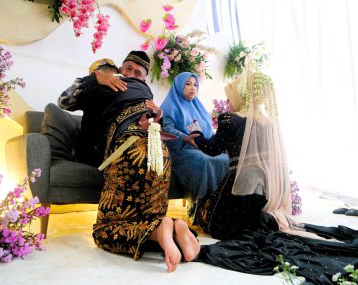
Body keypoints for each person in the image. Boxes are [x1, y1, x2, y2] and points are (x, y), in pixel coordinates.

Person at [183, 66, 358, 284]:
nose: (229, 100)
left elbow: (213, 149)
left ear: (243, 93)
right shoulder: (267, 122)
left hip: (237, 187)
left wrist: (196, 137)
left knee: (210, 222)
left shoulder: (230, 118)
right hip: (262, 190)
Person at [58, 51, 200, 273]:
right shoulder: (134, 92)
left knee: (104, 231)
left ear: (143, 79)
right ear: (120, 70)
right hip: (158, 149)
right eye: (128, 69)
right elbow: (67, 103)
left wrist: (94, 79)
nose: (131, 74)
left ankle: (160, 230)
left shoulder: (112, 87)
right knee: (148, 212)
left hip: (127, 147)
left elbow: (64, 101)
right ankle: (173, 226)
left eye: (138, 72)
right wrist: (97, 78)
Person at [159, 72, 229, 224]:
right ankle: (196, 204)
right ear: (179, 86)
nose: (192, 88)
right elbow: (167, 130)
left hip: (202, 148)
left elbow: (209, 132)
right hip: (181, 150)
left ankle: (216, 205)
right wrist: (185, 138)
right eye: (188, 84)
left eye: (195, 84)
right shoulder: (168, 107)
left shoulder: (199, 107)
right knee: (200, 160)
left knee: (224, 158)